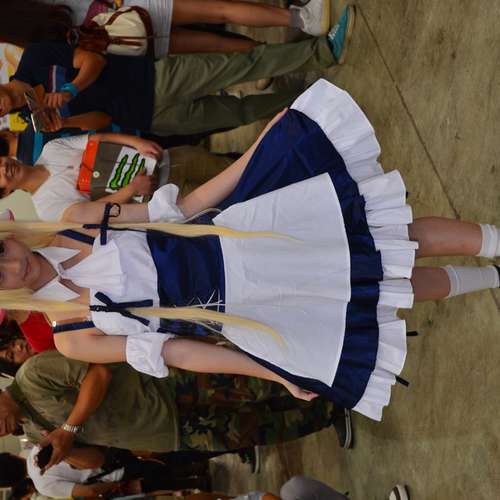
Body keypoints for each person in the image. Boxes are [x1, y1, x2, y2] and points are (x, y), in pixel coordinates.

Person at [0, 79, 498, 423]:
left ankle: (494, 240)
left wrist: (259, 147)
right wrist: (273, 372)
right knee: (380, 292)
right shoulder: (71, 338)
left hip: (246, 236)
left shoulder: (74, 221)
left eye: (1, 252)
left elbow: (180, 209)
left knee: (388, 237)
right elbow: (177, 352)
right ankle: (495, 278)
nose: (14, 265)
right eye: (0, 276)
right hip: (250, 310)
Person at [0, 6, 356, 137]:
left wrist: (71, 90)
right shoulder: (35, 122)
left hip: (154, 79)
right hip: (151, 118)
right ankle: (311, 99)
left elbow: (94, 61)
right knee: (241, 113)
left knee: (240, 66)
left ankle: (324, 51)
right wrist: (67, 121)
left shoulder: (33, 59)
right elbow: (102, 120)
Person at [0, 349, 346, 468]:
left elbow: (98, 374)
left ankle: (335, 378)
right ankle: (328, 412)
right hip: (168, 433)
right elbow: (97, 460)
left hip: (167, 388)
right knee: (258, 430)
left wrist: (68, 428)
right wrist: (65, 449)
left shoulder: (33, 375)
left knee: (255, 386)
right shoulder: (33, 432)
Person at [0, 136, 235, 222]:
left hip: (170, 159)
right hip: (162, 199)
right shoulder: (45, 209)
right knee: (232, 202)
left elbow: (99, 139)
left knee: (234, 168)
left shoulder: (51, 149)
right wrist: (131, 189)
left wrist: (136, 142)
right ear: (5, 192)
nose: (4, 168)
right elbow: (95, 212)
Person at [2, 0, 331, 56]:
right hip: (130, 8)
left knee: (214, 45)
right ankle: (303, 19)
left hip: (123, 40)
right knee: (219, 10)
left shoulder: (22, 37)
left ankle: (289, 55)